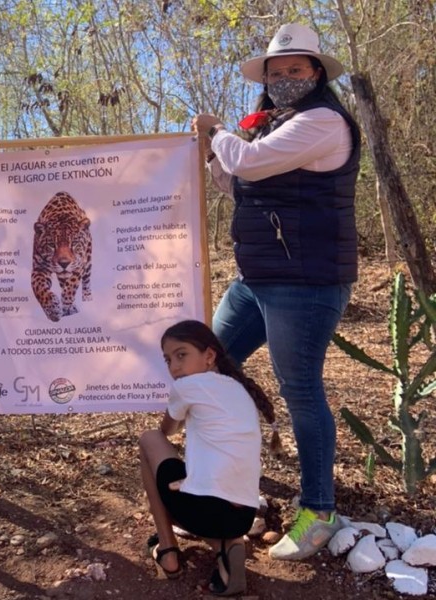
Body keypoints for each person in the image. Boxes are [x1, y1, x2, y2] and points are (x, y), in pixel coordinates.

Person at [192, 22, 360, 561]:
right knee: (210, 367)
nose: (286, 78)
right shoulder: (275, 128)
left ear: (316, 74)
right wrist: (213, 153)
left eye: (296, 70)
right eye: (277, 72)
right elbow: (236, 178)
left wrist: (214, 131)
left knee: (300, 390)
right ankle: (223, 479)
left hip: (305, 284)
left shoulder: (323, 122)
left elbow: (246, 161)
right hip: (256, 279)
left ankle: (319, 512)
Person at [139, 320, 279, 597]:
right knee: (192, 479)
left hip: (206, 513)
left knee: (148, 440)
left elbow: (167, 431)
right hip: (242, 516)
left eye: (182, 355)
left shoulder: (188, 387)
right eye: (168, 360)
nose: (175, 367)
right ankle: (224, 550)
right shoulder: (238, 389)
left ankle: (167, 550)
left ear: (209, 356)